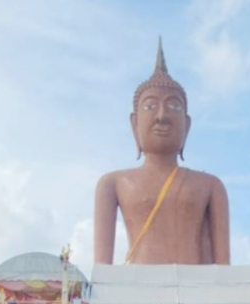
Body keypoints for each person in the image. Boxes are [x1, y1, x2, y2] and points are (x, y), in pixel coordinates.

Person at [93, 42, 230, 266]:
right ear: (134, 123)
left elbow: (224, 270)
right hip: (136, 296)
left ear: (187, 124)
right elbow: (101, 270)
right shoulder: (113, 184)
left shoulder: (211, 186)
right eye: (150, 107)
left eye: (174, 107)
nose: (162, 116)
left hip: (198, 295)